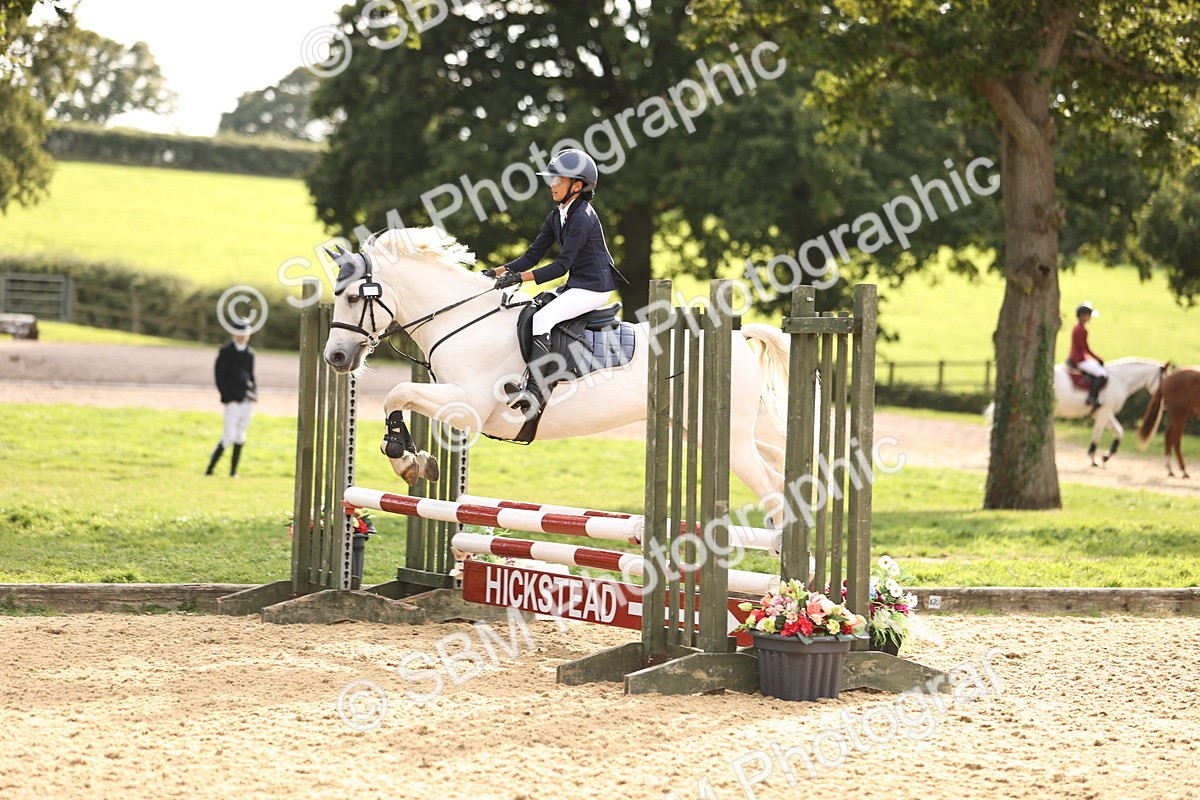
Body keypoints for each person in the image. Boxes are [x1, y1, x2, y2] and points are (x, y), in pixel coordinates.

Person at [490, 148, 621, 418]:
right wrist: (496, 272)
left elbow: (561, 266)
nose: (552, 184)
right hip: (578, 284)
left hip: (594, 288)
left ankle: (535, 391)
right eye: (552, 179)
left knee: (543, 319)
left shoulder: (582, 217)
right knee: (530, 307)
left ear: (578, 185)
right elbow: (532, 256)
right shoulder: (557, 215)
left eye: (558, 180)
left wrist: (517, 279)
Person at [206, 319, 257, 476]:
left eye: (245, 334)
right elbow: (219, 377)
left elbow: (251, 376)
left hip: (247, 400)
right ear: (234, 334)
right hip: (232, 401)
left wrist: (254, 394)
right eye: (240, 334)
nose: (242, 337)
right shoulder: (225, 352)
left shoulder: (250, 353)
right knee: (228, 437)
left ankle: (233, 471)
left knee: (240, 436)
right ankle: (210, 469)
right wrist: (228, 398)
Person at [1068, 301, 1107, 407]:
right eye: (1089, 315)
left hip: (1078, 358)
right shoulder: (1081, 330)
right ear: (1083, 316)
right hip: (1079, 360)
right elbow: (1085, 349)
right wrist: (1098, 358)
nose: (1090, 318)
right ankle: (1092, 397)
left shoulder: (1078, 328)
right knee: (1102, 373)